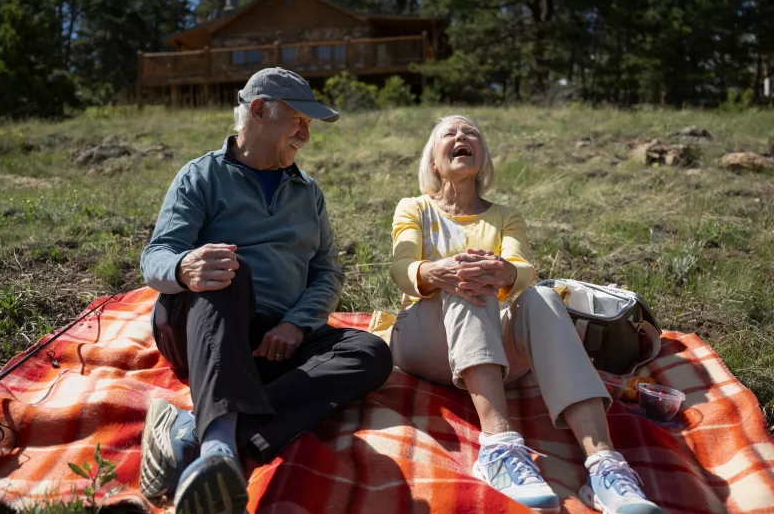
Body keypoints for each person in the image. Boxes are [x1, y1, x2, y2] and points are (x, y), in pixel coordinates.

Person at [139, 68, 393, 514]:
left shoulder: (308, 192)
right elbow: (155, 256)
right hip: (206, 326)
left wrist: (297, 323)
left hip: (274, 345)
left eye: (309, 125)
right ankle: (220, 449)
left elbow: (327, 272)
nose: (306, 136)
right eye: (299, 120)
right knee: (226, 266)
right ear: (259, 110)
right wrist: (185, 266)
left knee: (370, 351)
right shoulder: (201, 176)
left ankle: (194, 433)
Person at [388, 115, 662, 514]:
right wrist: (437, 271)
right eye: (450, 133)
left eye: (471, 134)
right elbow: (401, 268)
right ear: (433, 161)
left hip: (494, 344)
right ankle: (499, 447)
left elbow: (524, 271)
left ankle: (605, 466)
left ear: (483, 159)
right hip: (422, 340)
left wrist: (506, 271)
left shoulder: (506, 216)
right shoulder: (414, 208)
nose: (462, 137)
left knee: (543, 297)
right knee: (468, 283)